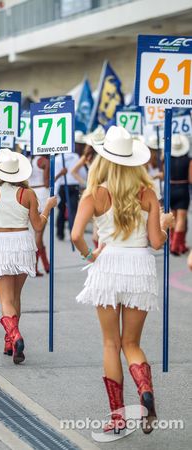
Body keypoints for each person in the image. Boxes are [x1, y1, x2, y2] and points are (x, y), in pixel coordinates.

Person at [71, 126, 174, 435]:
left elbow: (76, 235)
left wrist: (90, 256)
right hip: (139, 264)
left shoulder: (95, 194)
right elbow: (157, 242)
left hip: (107, 263)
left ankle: (118, 417)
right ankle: (145, 391)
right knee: (132, 343)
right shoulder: (148, 193)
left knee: (110, 342)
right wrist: (166, 225)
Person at [0, 148, 57, 364]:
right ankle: (10, 341)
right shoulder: (29, 194)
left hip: (1, 241)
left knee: (5, 298)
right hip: (23, 242)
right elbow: (37, 225)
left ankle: (14, 336)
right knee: (16, 297)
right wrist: (48, 209)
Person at [170, 134, 192, 255]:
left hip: (170, 188)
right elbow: (191, 178)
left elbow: (164, 174)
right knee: (181, 219)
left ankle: (176, 243)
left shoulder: (167, 159)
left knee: (173, 217)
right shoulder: (188, 160)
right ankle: (174, 246)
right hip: (182, 189)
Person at [28, 154, 50, 276]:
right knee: (39, 232)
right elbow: (47, 183)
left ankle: (46, 264)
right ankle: (35, 266)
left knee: (36, 233)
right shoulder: (44, 161)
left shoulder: (28, 160)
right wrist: (60, 174)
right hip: (42, 195)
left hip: (31, 192)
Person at [55, 153, 83, 241]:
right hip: (73, 185)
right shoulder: (76, 156)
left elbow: (56, 177)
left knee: (62, 210)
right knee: (73, 211)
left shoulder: (57, 158)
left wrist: (55, 192)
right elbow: (81, 172)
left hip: (62, 186)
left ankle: (60, 233)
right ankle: (73, 234)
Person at [145, 134, 164, 200]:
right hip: (152, 193)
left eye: (158, 150)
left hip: (162, 193)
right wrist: (155, 176)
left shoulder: (163, 161)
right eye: (154, 150)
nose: (157, 153)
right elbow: (143, 178)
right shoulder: (146, 163)